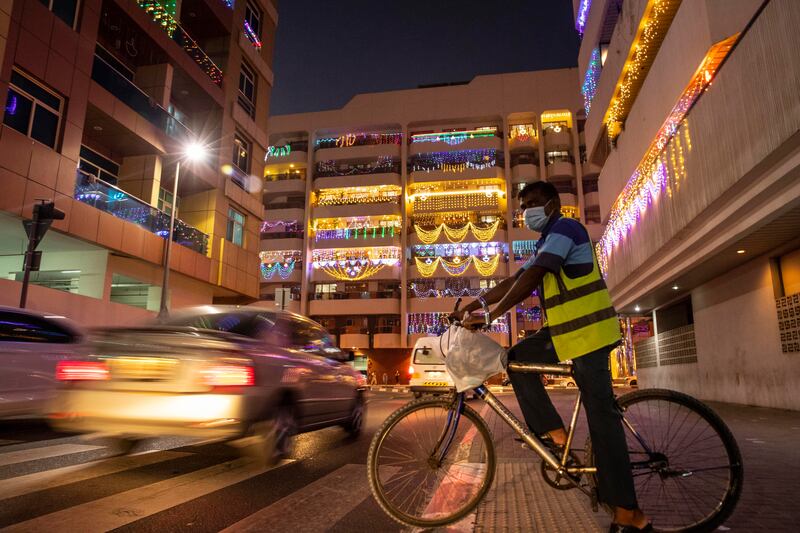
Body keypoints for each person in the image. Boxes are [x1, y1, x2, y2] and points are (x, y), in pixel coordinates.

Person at [458, 181, 651, 532]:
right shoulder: (544, 241)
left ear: (553, 204)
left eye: (533, 202)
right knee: (516, 361)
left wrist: (493, 314)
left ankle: (630, 514)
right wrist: (472, 307)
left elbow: (533, 277)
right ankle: (557, 438)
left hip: (589, 335)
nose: (527, 210)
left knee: (601, 417)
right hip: (565, 335)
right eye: (523, 206)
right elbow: (513, 280)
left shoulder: (565, 229)